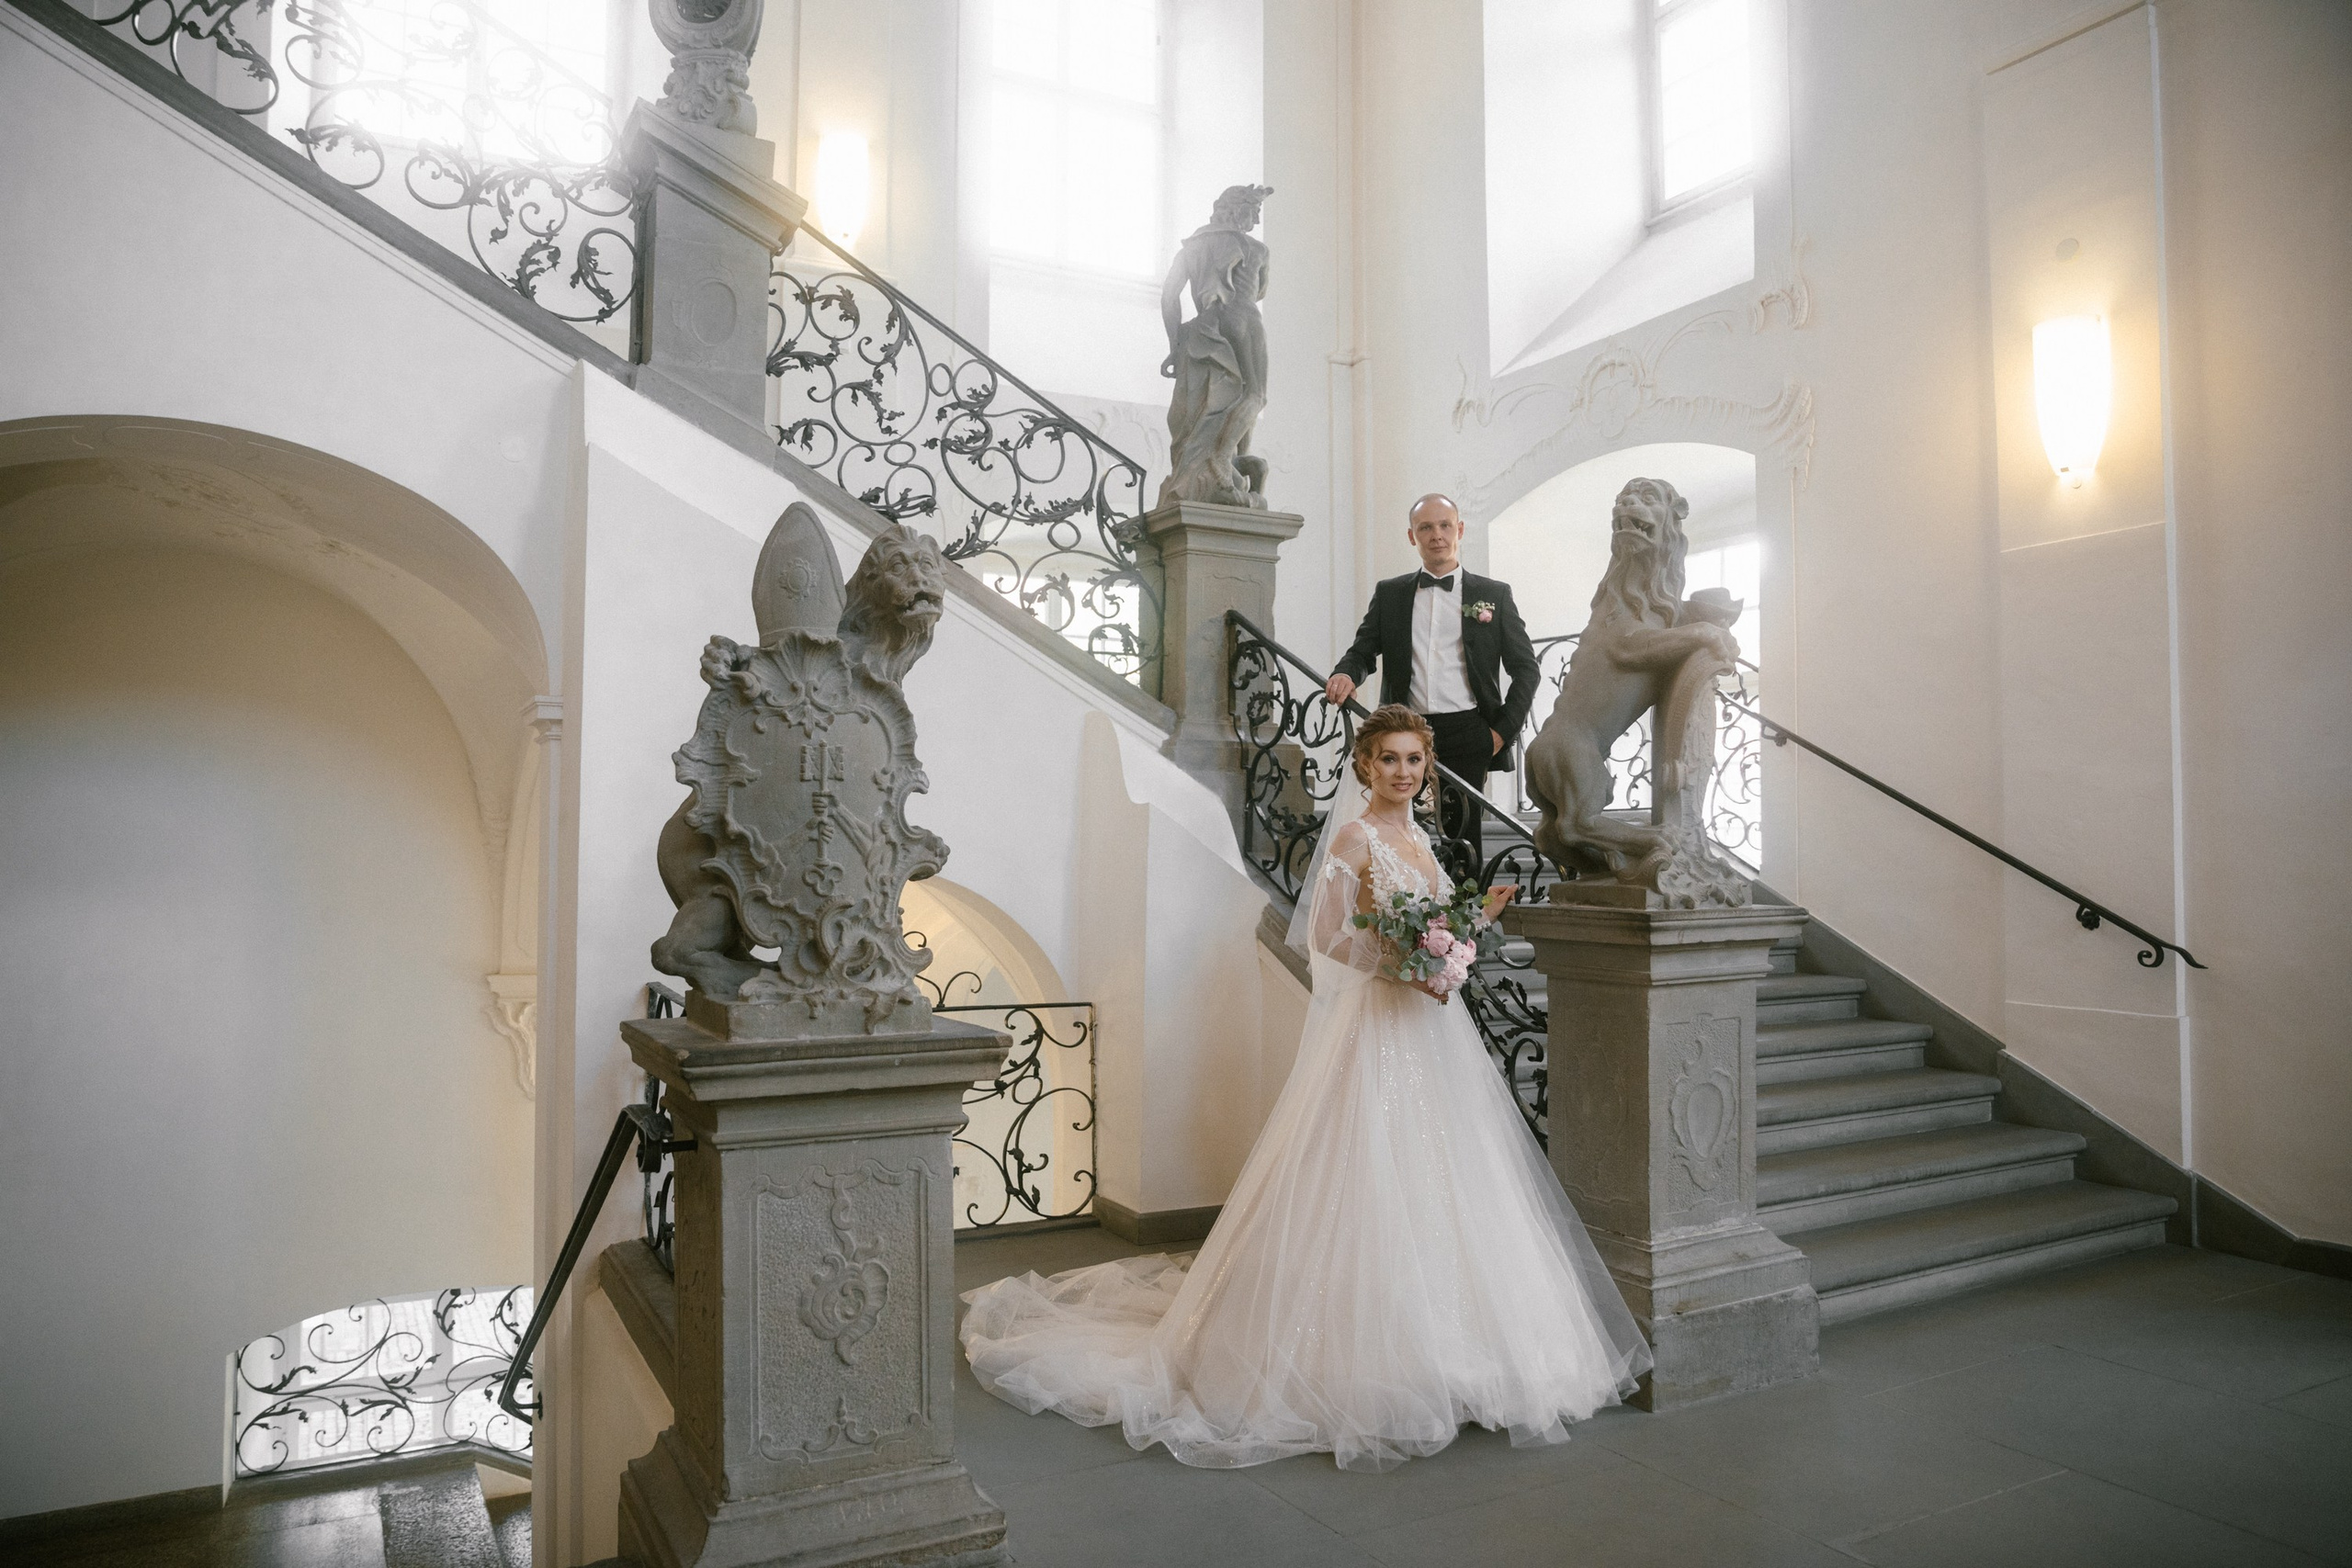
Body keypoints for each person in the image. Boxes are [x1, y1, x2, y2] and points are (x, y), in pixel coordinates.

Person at [958, 706, 1651, 1472]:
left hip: (1430, 1034)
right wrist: (1405, 964)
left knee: (1452, 1177)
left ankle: (1463, 1351)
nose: (1403, 772)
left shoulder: (1422, 837)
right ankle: (1363, 1362)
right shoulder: (1354, 838)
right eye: (1388, 758)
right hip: (1377, 1027)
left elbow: (1441, 922)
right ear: (1362, 764)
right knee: (1361, 1176)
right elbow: (1323, 935)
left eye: (1414, 759)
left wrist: (1452, 945)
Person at [1325, 494, 1541, 857]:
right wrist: (1346, 674)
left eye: (1444, 525)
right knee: (1394, 830)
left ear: (1459, 530)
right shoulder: (1390, 593)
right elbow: (1363, 650)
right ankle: (1403, 911)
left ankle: (1462, 914)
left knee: (1463, 840)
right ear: (1412, 536)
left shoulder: (1494, 595)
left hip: (1469, 732)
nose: (1436, 534)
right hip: (1403, 733)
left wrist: (1502, 732)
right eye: (1425, 527)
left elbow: (1526, 669)